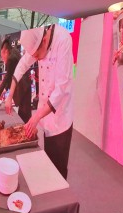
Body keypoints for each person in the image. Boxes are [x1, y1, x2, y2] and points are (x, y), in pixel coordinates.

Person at [6, 25, 74, 178]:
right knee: (49, 163)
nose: (35, 59)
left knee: (59, 169)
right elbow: (22, 65)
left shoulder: (63, 40)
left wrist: (36, 117)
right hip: (46, 115)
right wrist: (10, 96)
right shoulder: (38, 41)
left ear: (44, 40)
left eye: (36, 55)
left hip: (61, 116)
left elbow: (61, 89)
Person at [0, 38, 32, 124]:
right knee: (24, 115)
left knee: (25, 116)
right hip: (25, 86)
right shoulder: (14, 51)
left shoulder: (11, 58)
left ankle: (28, 130)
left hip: (23, 88)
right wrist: (5, 89)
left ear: (6, 52)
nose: (3, 59)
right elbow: (11, 74)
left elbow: (7, 77)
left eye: (2, 56)